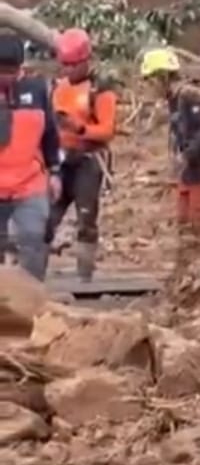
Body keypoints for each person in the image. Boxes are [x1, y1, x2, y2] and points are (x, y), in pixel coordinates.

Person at [139, 47, 200, 277]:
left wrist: (186, 155)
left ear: (163, 77)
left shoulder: (190, 97)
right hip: (190, 173)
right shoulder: (174, 101)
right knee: (185, 229)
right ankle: (185, 280)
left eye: (151, 81)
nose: (149, 86)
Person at [47, 28, 118, 282]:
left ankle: (84, 275)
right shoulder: (57, 86)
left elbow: (107, 130)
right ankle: (34, 272)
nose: (67, 71)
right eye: (64, 65)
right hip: (62, 160)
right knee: (48, 215)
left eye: (72, 65)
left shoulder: (99, 88)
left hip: (88, 160)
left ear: (85, 61)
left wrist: (80, 128)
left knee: (86, 218)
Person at [0, 32, 60, 281]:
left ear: (20, 68)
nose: (4, 76)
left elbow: (50, 134)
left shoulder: (36, 90)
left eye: (9, 71)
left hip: (29, 184)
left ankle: (33, 305)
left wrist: (55, 171)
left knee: (33, 241)